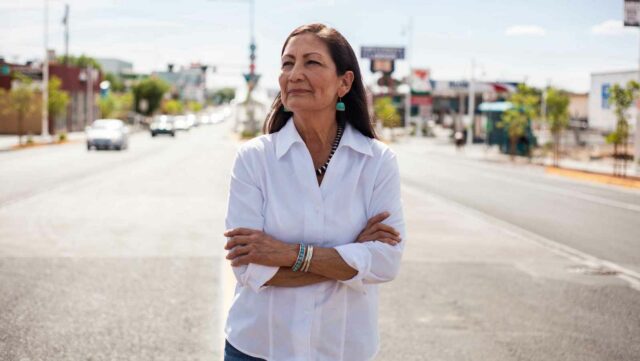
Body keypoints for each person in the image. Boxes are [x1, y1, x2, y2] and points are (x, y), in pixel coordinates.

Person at [223, 23, 406, 361]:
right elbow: (249, 269)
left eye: (311, 63)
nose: (294, 74)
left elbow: (385, 262)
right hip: (258, 347)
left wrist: (287, 254)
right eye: (287, 63)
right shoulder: (254, 159)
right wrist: (349, 258)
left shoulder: (377, 162)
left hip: (342, 349)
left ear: (344, 82)